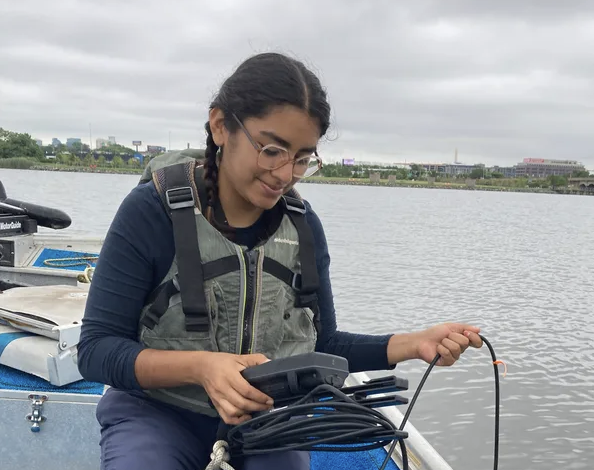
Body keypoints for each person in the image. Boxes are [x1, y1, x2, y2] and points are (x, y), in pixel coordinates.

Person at [77, 52, 483, 470]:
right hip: (157, 412)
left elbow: (323, 344)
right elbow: (96, 350)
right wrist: (202, 367)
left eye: (304, 158)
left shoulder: (305, 230)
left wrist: (416, 343)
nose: (285, 173)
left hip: (268, 420)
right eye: (272, 150)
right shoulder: (152, 211)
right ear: (220, 126)